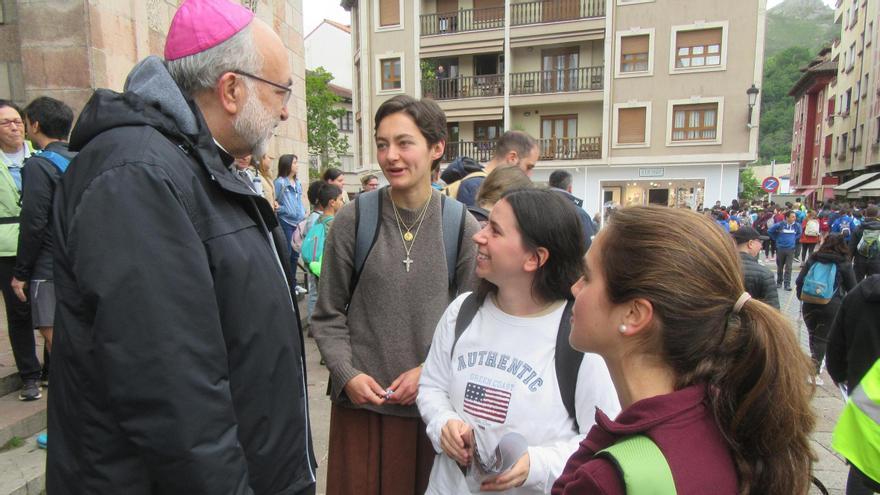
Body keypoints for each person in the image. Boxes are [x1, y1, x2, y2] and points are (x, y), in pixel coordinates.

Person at [46, 1, 316, 493]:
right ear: (232, 89)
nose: (284, 110)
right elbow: (174, 396)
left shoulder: (198, 164)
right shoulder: (136, 175)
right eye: (281, 92)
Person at [553, 206, 815, 494]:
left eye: (588, 277)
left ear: (634, 315)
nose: (575, 287)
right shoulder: (725, 414)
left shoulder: (607, 480)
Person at [311, 95, 480, 495]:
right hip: (359, 410)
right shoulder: (355, 218)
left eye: (404, 143)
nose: (391, 156)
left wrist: (427, 374)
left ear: (437, 148)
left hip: (428, 414)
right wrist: (346, 374)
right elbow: (328, 313)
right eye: (382, 143)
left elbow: (475, 325)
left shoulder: (461, 227)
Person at [418, 188, 619, 494]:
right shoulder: (463, 312)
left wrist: (535, 465)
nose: (478, 236)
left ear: (535, 258)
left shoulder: (579, 336)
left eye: (494, 230)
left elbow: (603, 440)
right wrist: (443, 423)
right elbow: (432, 387)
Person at [11, 96, 75, 404]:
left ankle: (77, 419)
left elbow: (34, 221)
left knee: (62, 351)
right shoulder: (81, 158)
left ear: (34, 125)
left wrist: (20, 272)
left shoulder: (39, 166)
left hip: (49, 267)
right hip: (79, 261)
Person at [827, 275, 880, 494]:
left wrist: (851, 380)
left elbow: (835, 354)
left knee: (862, 469)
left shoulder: (859, 294)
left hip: (865, 408)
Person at [0, 99, 37, 401]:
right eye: (6, 122)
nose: (14, 127)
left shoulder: (39, 156)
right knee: (19, 312)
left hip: (42, 242)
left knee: (51, 307)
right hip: (7, 247)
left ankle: (53, 367)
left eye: (17, 121)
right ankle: (29, 375)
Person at [796, 234, 857, 385]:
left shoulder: (813, 258)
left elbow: (799, 280)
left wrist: (801, 297)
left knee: (813, 334)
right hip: (832, 304)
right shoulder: (844, 263)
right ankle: (814, 372)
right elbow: (853, 288)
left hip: (809, 302)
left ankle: (814, 362)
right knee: (822, 338)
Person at [444, 131, 539, 207]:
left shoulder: (478, 182)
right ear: (512, 158)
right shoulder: (477, 186)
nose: (530, 175)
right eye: (528, 167)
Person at [275, 153, 307, 286]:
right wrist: (284, 210)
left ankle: (293, 283)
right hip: (286, 222)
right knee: (287, 254)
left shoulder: (297, 182)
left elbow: (299, 200)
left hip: (298, 223)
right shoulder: (280, 182)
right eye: (294, 162)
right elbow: (274, 202)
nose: (297, 165)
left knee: (295, 255)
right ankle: (287, 284)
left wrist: (302, 212)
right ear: (287, 164)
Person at [732, 226, 779, 309]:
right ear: (750, 243)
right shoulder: (765, 274)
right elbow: (773, 310)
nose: (761, 246)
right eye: (759, 242)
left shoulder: (720, 268)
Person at [548, 169, 593, 250]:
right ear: (570, 188)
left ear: (549, 184)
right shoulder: (579, 214)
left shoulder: (534, 209)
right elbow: (588, 249)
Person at [769, 210, 802, 290]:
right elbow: (770, 231)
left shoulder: (797, 225)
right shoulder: (779, 225)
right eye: (792, 217)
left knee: (789, 267)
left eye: (795, 217)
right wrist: (776, 239)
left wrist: (794, 239)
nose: (794, 218)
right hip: (780, 248)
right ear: (787, 217)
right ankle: (779, 282)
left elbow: (799, 233)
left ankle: (787, 284)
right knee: (780, 266)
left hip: (790, 249)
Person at [850, 205, 880, 282]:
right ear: (877, 214)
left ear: (865, 214)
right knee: (874, 284)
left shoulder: (859, 228)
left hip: (860, 260)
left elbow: (851, 247)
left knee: (857, 283)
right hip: (876, 260)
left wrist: (848, 261)